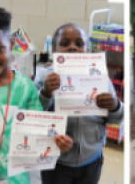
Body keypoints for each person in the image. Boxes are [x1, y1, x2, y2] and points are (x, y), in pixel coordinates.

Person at [0, 7, 73, 184]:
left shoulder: (25, 88)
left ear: (11, 44)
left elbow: (39, 131)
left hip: (17, 179)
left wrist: (58, 141)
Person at [35, 23, 123, 184]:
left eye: (79, 44)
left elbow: (116, 119)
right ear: (54, 50)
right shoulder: (44, 77)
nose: (72, 47)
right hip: (55, 161)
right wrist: (45, 93)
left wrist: (115, 106)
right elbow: (33, 115)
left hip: (92, 159)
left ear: (88, 51)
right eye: (64, 43)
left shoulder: (100, 78)